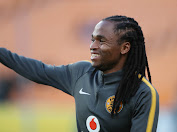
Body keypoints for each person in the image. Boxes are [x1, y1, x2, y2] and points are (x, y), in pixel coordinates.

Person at [0, 15, 159, 132]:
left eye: (101, 41)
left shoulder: (143, 93)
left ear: (125, 48)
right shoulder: (81, 73)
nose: (92, 46)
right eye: (93, 39)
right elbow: (38, 71)